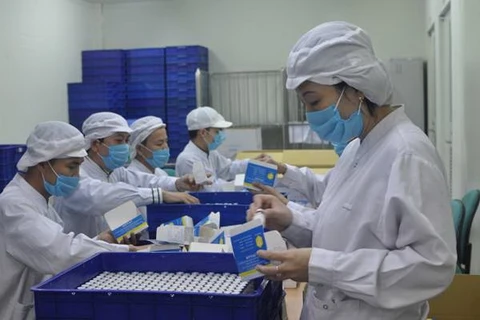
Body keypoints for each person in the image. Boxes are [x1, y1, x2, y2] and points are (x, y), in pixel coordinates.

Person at [247, 21, 456, 319]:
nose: (310, 116)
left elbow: (431, 267)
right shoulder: (358, 147)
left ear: (355, 88)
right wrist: (289, 219)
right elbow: (338, 227)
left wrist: (321, 266)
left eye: (314, 101)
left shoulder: (407, 154)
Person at [0, 121, 138, 320]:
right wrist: (123, 252)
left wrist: (101, 240)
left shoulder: (41, 199)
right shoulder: (14, 205)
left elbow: (57, 243)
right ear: (43, 163)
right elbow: (59, 253)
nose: (76, 176)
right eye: (71, 166)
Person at [55, 112, 200, 238]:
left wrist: (177, 183)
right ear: (95, 144)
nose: (124, 146)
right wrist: (160, 194)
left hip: (105, 249)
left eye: (126, 140)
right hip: (79, 258)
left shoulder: (113, 170)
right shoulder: (75, 175)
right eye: (119, 140)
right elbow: (103, 197)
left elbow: (142, 180)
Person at [175, 106, 270, 191]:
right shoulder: (188, 159)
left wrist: (252, 163)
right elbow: (210, 190)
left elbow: (228, 169)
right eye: (217, 131)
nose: (221, 135)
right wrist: (245, 183)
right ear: (203, 132)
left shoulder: (211, 153)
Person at [127, 116, 170, 239]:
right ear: (140, 149)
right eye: (159, 143)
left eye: (166, 141)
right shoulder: (130, 178)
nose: (165, 147)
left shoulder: (161, 174)